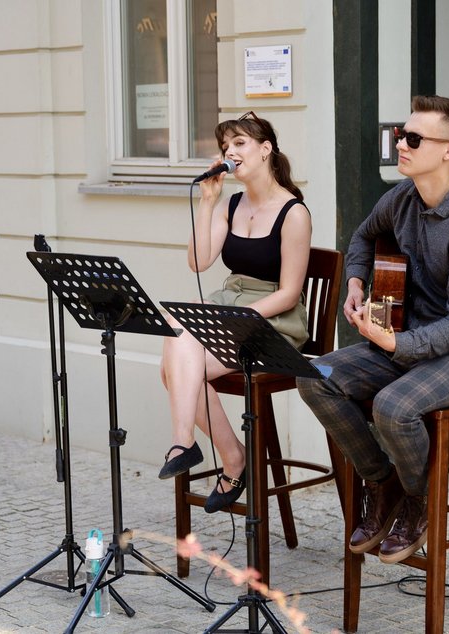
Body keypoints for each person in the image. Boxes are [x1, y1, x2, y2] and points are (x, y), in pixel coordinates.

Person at [296, 95, 449, 563]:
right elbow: (361, 236)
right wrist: (356, 280)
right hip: (409, 341)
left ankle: (419, 500)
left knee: (393, 407)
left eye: (414, 138)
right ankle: (384, 481)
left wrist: (395, 342)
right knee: (315, 377)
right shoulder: (402, 199)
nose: (402, 143)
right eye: (401, 133)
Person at [158, 111, 312, 514]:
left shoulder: (294, 213)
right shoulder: (233, 202)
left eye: (240, 143)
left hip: (273, 318)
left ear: (265, 150)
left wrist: (238, 319)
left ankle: (212, 452)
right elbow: (198, 262)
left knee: (176, 370)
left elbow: (290, 292)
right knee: (176, 336)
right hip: (232, 304)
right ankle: (207, 449)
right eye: (226, 146)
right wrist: (208, 203)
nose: (231, 152)